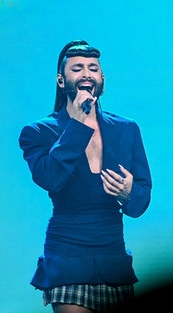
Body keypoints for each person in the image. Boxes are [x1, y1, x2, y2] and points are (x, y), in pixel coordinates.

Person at [18, 40, 152, 313]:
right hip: (67, 255)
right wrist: (78, 123)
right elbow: (51, 178)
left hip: (112, 256)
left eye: (93, 68)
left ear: (102, 79)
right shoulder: (38, 132)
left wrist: (129, 193)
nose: (86, 74)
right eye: (77, 68)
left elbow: (141, 201)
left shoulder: (126, 129)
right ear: (61, 80)